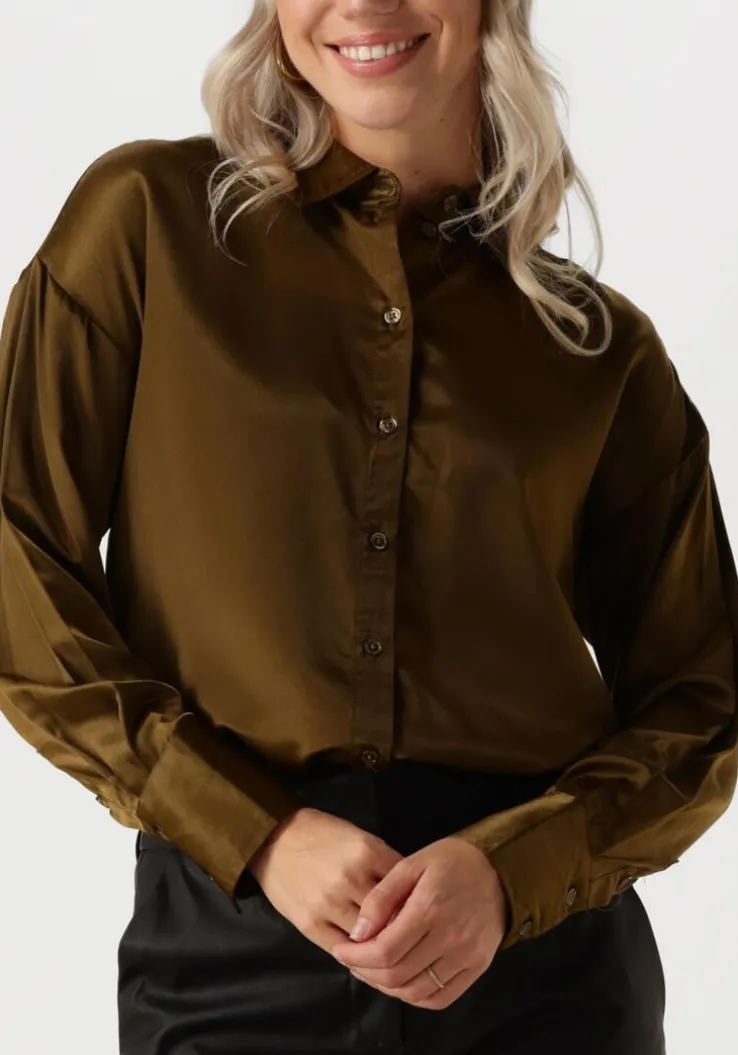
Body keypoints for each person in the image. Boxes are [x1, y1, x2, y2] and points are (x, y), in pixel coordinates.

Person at [1, 1, 736, 1052]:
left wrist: (513, 870)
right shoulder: (148, 224)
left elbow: (703, 699)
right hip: (228, 955)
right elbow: (16, 560)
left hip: (541, 974)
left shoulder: (598, 348)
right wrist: (255, 830)